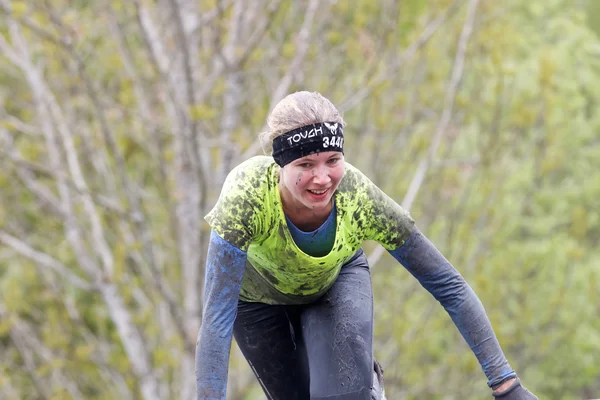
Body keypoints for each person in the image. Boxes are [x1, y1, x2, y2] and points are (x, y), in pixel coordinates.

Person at [195, 91, 538, 400]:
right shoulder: (245, 198)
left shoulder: (359, 198)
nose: (322, 178)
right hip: (256, 301)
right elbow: (216, 318)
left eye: (333, 160)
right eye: (305, 165)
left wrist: (506, 386)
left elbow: (448, 285)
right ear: (280, 164)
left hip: (334, 282)